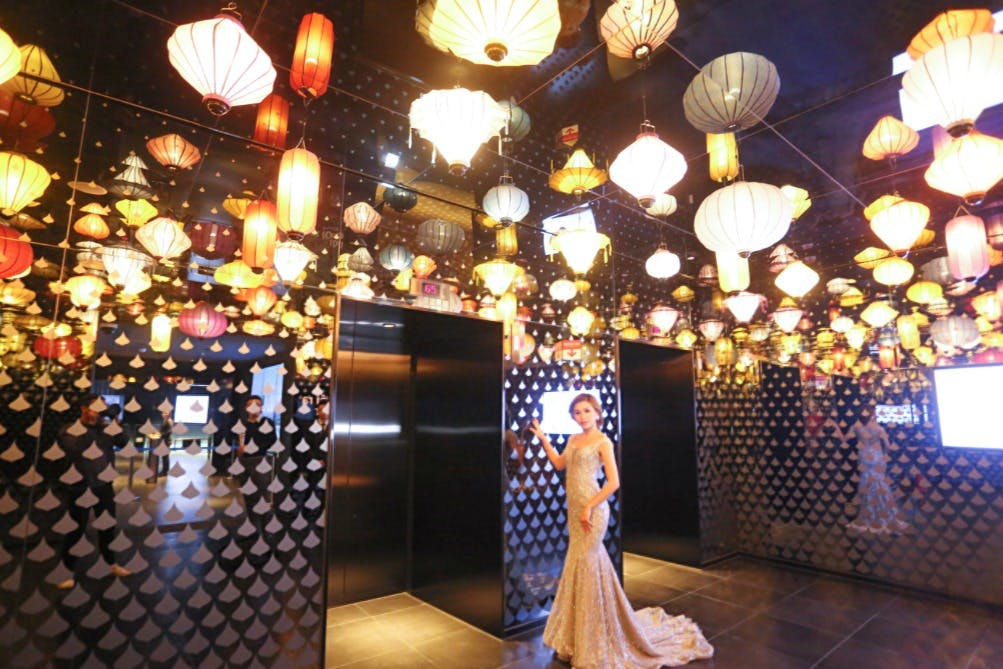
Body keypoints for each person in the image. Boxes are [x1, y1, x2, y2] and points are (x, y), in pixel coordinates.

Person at [527, 393, 713, 667]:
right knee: (581, 567)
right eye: (577, 412)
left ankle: (595, 637)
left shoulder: (603, 442)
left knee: (587, 565)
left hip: (593, 511)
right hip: (574, 512)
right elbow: (559, 464)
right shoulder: (573, 439)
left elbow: (613, 482)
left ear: (597, 413)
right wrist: (543, 438)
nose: (582, 416)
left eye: (587, 411)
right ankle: (578, 636)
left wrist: (589, 507)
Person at [57, 395, 131, 590]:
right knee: (76, 530)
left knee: (107, 528)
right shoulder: (69, 429)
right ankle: (68, 570)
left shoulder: (106, 429)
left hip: (103, 486)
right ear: (84, 408)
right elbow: (75, 447)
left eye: (103, 407)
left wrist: (114, 420)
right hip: (80, 486)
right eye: (96, 407)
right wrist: (91, 424)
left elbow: (124, 442)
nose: (100, 410)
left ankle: (111, 563)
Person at [845, 407, 910, 535]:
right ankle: (885, 514)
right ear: (872, 416)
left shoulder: (856, 426)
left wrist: (836, 426)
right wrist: (884, 454)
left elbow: (843, 439)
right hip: (877, 456)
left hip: (864, 456)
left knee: (867, 484)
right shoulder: (879, 428)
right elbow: (888, 447)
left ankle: (869, 514)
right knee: (880, 483)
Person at [145, 408, 173, 483]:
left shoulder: (169, 421)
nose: (163, 414)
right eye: (162, 413)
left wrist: (160, 434)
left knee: (165, 457)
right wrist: (158, 433)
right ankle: (164, 471)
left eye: (165, 413)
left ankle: (165, 472)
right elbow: (164, 431)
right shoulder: (165, 420)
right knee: (164, 457)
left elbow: (168, 432)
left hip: (166, 441)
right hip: (164, 441)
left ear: (169, 414)